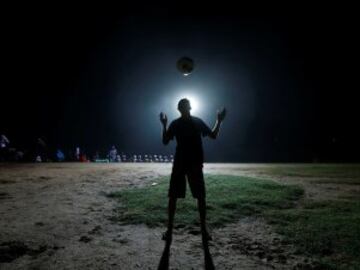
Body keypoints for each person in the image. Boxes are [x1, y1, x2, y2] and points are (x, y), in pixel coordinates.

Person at [160, 98, 226, 243]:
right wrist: (219, 121)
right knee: (200, 197)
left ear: (178, 109)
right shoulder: (197, 121)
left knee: (173, 197)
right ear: (190, 108)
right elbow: (213, 136)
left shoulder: (176, 123)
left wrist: (164, 125)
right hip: (194, 162)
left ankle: (170, 231)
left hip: (180, 163)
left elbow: (165, 141)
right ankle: (204, 231)